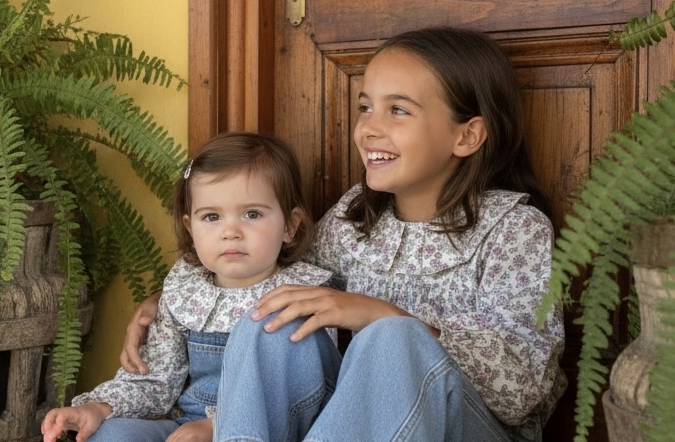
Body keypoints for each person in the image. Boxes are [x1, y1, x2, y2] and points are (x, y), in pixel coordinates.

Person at [121, 27, 567, 442]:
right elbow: (266, 273)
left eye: (398, 110)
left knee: (392, 339)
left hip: (467, 428)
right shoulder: (352, 218)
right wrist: (170, 304)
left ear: (467, 136)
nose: (369, 128)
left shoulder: (515, 230)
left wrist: (383, 316)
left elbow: (523, 391)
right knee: (278, 317)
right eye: (366, 107)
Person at [41, 132, 333, 442]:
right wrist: (97, 408)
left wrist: (216, 427)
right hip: (187, 425)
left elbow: (304, 392)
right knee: (112, 434)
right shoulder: (186, 293)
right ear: (189, 228)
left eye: (252, 214)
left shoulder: (304, 296)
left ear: (290, 225)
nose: (231, 231)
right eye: (211, 216)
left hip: (266, 430)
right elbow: (155, 381)